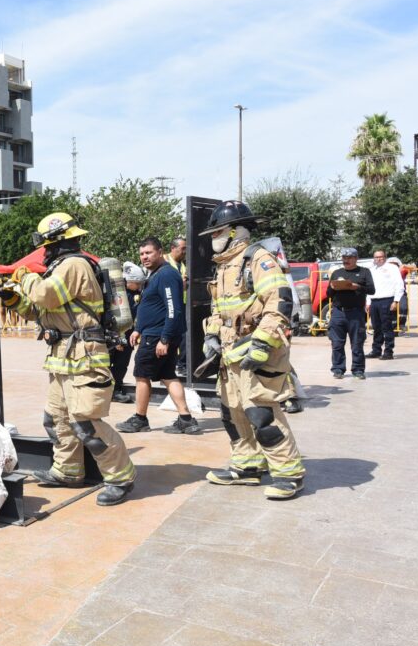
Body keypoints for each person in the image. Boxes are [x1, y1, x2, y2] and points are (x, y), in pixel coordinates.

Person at [1, 212, 137, 505]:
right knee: (57, 419)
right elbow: (45, 313)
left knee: (87, 424)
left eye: (46, 245)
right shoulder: (61, 268)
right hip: (62, 356)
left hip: (85, 357)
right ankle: (68, 470)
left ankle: (120, 477)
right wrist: (16, 301)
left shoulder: (73, 265)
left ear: (58, 241)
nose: (43, 251)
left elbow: (46, 296)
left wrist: (23, 276)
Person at [200, 200, 306, 500]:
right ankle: (247, 465)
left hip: (257, 350)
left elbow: (279, 303)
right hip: (230, 353)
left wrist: (261, 343)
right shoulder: (224, 266)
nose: (213, 238)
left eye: (217, 232)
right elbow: (219, 310)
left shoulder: (258, 260)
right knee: (232, 413)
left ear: (235, 232)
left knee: (262, 413)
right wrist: (211, 335)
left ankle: (289, 474)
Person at [117, 237, 200, 435]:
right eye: (142, 254)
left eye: (148, 253)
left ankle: (140, 419)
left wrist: (164, 339)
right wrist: (138, 328)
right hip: (153, 333)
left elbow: (174, 309)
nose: (144, 257)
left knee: (142, 375)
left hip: (157, 337)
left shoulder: (166, 275)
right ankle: (186, 419)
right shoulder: (156, 274)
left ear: (160, 252)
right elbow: (153, 306)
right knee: (168, 375)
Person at [327, 248, 374, 380]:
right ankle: (338, 369)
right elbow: (328, 294)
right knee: (336, 343)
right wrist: (332, 287)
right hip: (338, 313)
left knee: (357, 343)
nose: (346, 260)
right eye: (344, 258)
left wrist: (357, 287)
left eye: (349, 258)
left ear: (355, 258)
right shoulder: (336, 273)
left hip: (356, 313)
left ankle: (358, 370)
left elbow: (371, 290)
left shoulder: (364, 272)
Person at [110, 262, 145, 404]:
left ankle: (116, 388)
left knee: (122, 363)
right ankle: (112, 391)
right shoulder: (119, 295)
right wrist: (116, 337)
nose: (139, 286)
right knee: (113, 363)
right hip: (116, 335)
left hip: (129, 334)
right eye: (137, 283)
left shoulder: (135, 293)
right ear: (128, 281)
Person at [368, 249, 403, 360]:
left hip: (387, 300)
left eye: (381, 256)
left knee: (387, 327)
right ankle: (376, 350)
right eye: (376, 257)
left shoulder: (392, 268)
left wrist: (396, 300)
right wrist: (368, 302)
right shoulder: (372, 269)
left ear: (385, 257)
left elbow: (399, 284)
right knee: (376, 327)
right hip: (374, 301)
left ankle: (388, 351)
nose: (378, 259)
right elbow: (369, 287)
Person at [166, 237, 189, 377]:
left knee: (182, 336)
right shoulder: (165, 262)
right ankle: (173, 365)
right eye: (182, 249)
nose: (185, 252)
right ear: (173, 248)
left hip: (181, 304)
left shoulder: (182, 264)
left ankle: (180, 365)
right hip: (169, 305)